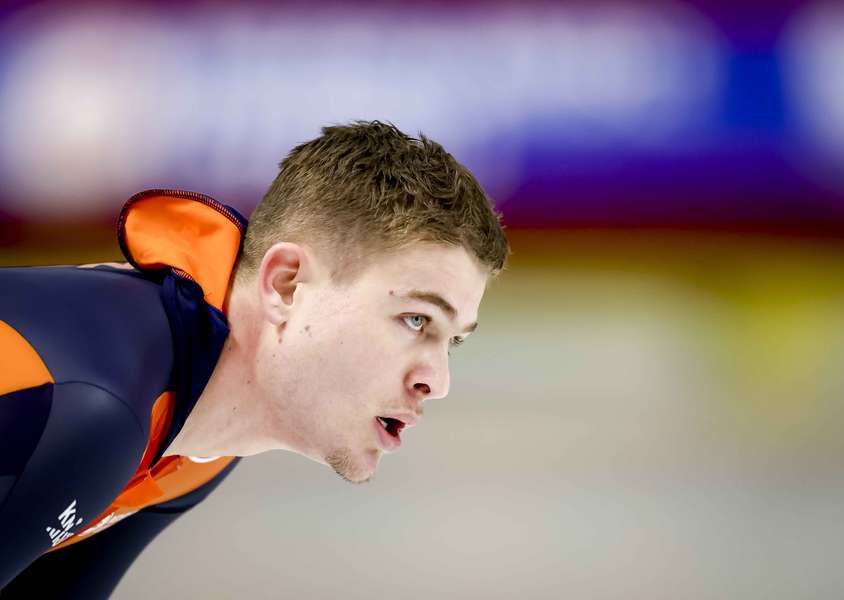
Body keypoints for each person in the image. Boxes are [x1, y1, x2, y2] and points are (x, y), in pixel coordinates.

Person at [0, 121, 509, 597]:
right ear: (286, 284)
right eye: (416, 320)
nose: (437, 381)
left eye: (453, 340)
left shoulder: (198, 450)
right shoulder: (86, 406)